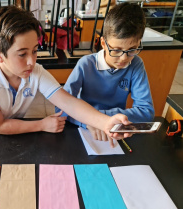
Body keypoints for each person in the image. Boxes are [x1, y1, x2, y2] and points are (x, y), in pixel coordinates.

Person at [0, 5, 131, 146]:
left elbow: (69, 103)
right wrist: (41, 124)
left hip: (13, 132)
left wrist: (106, 122)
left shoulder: (35, 72)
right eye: (22, 54)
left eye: (34, 51)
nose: (31, 61)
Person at [56, 2, 154, 142]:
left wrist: (104, 120)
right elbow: (61, 107)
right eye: (117, 50)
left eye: (132, 49)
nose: (124, 58)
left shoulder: (136, 65)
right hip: (86, 130)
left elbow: (146, 112)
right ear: (103, 43)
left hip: (115, 132)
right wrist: (91, 121)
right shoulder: (86, 64)